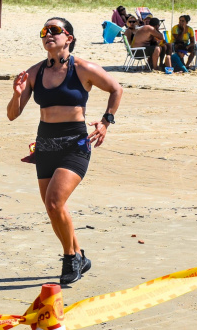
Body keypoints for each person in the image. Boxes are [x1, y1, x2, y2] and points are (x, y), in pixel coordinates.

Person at [7, 17, 123, 285]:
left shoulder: (83, 68)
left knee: (54, 201)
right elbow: (13, 115)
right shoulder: (34, 73)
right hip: (45, 144)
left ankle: (70, 257)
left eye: (55, 30)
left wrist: (106, 121)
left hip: (75, 144)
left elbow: (116, 89)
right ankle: (80, 254)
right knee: (54, 207)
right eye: (44, 31)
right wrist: (16, 94)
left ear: (68, 38)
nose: (49, 35)